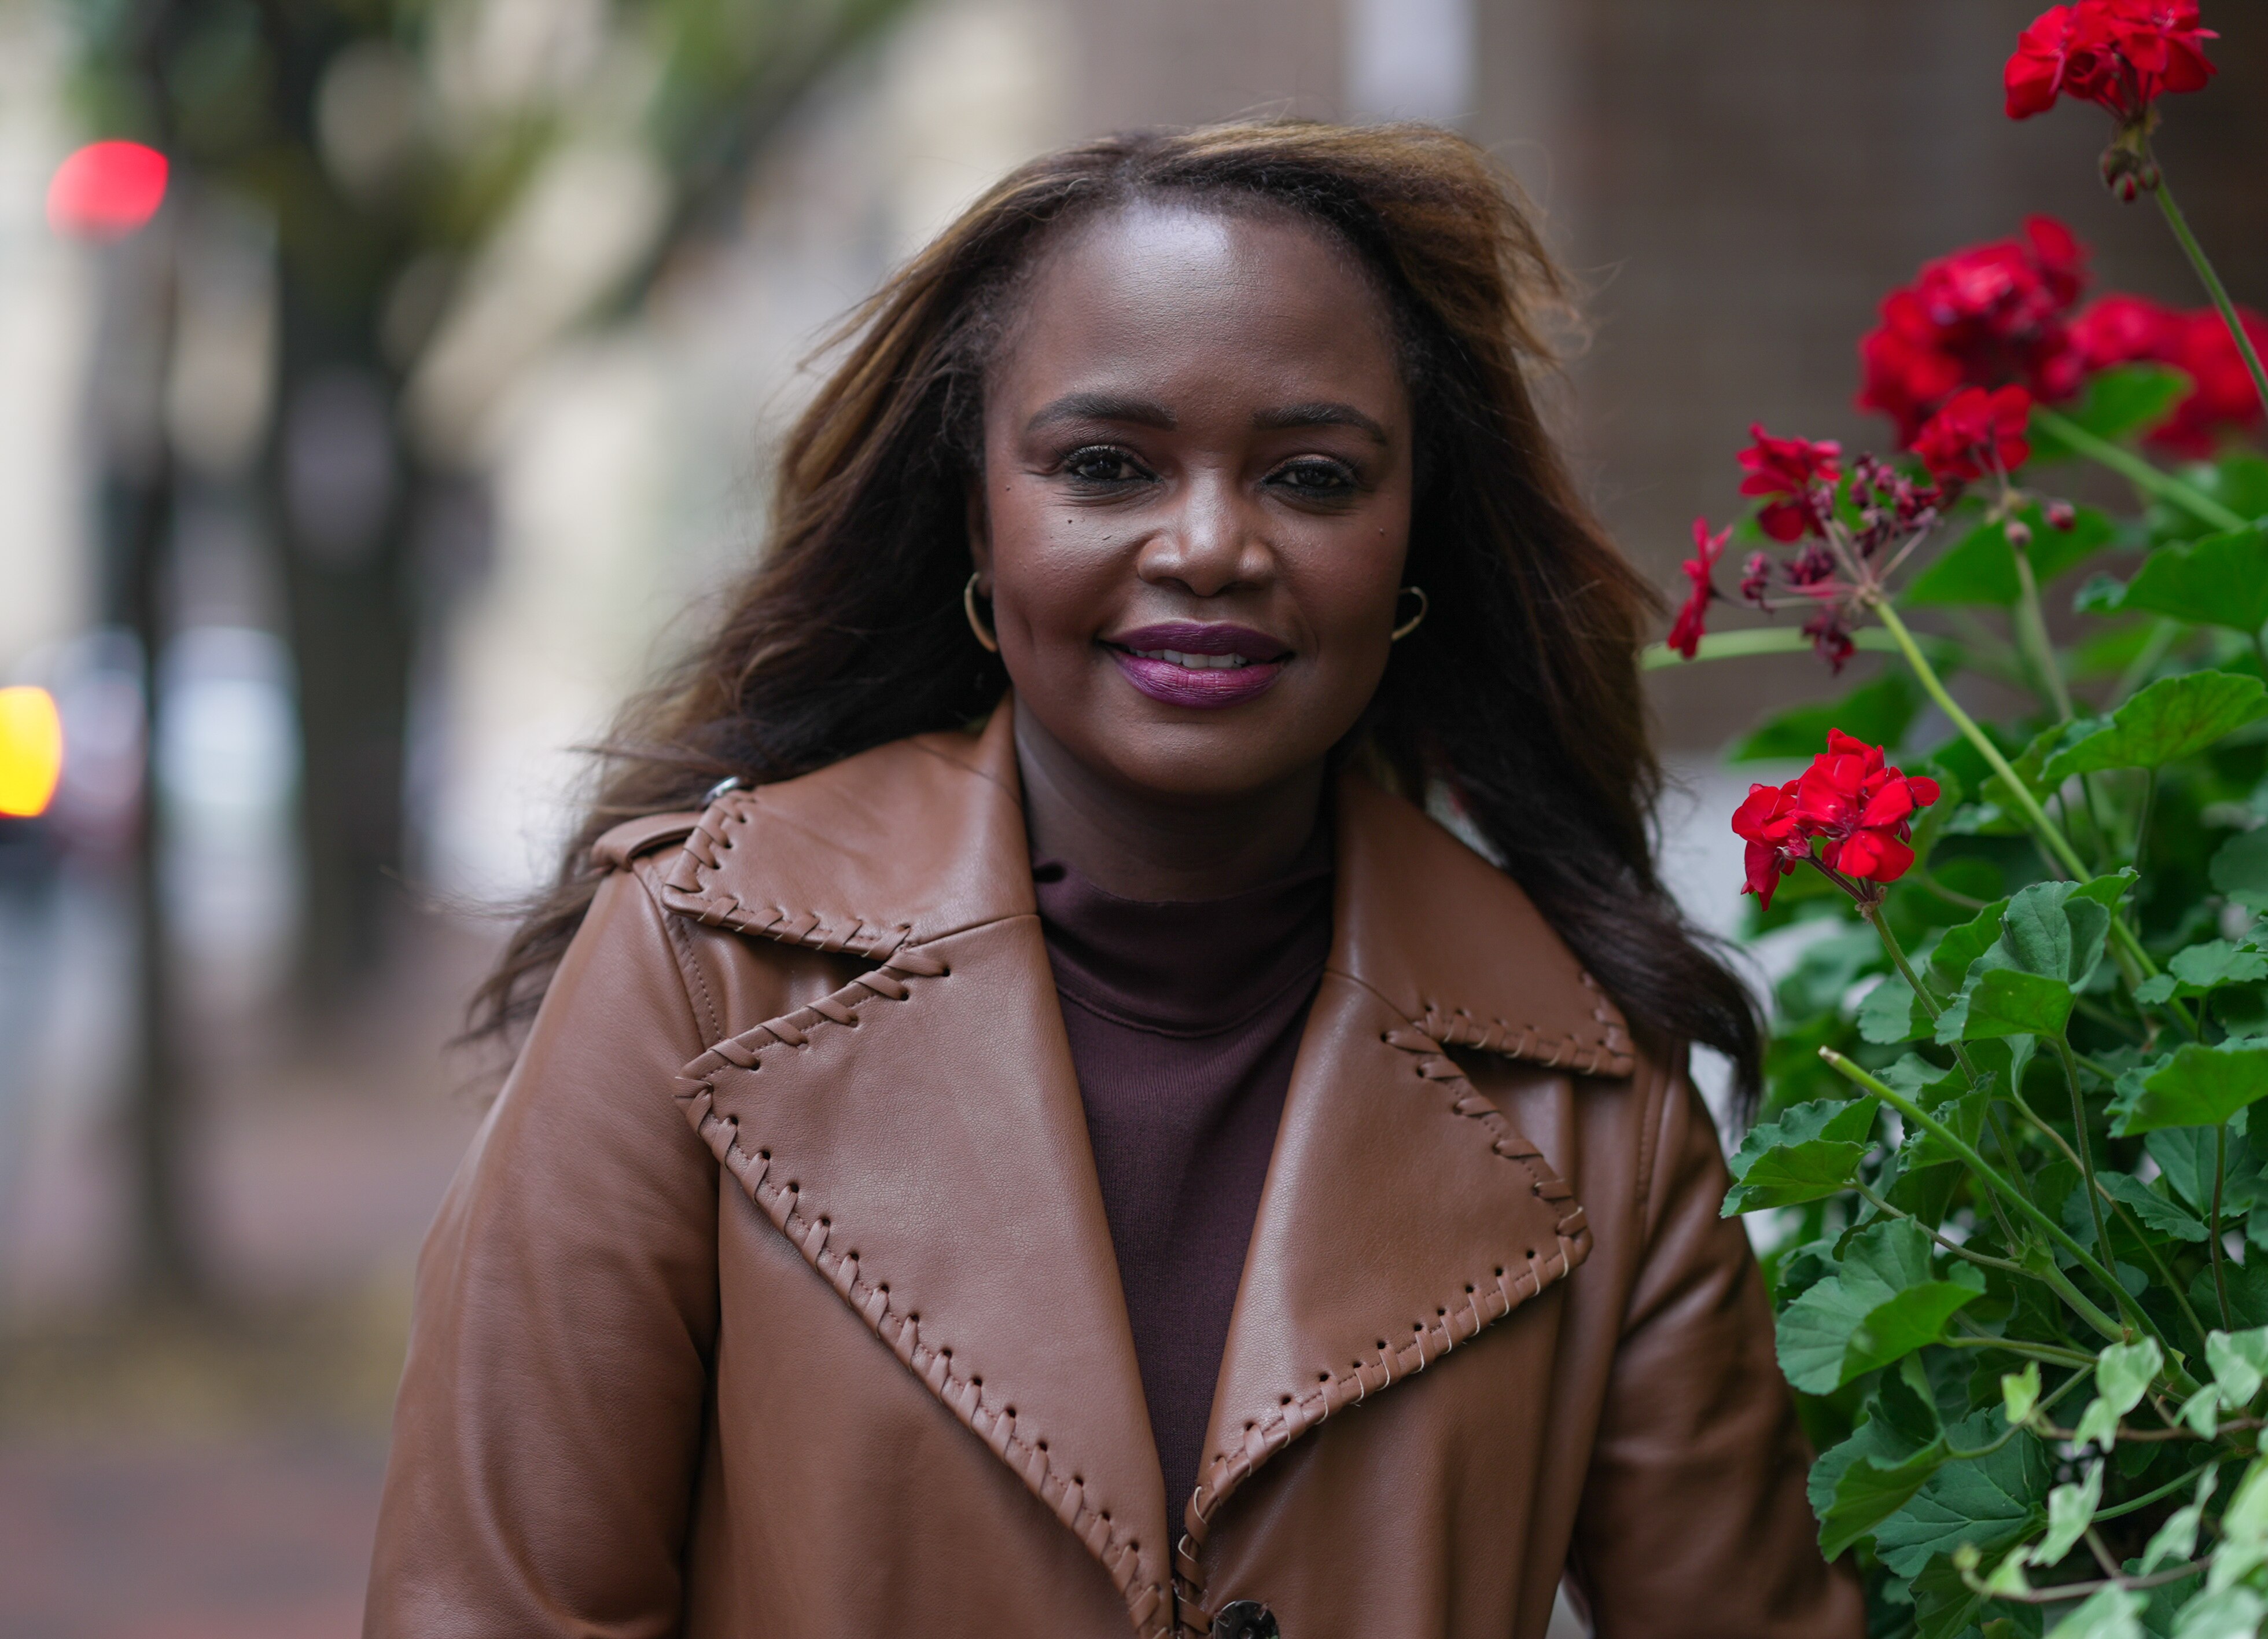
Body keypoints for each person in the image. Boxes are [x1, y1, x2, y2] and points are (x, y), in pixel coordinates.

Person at [365, 120, 1857, 1639]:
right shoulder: (699, 968)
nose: (1211, 545)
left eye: (1315, 477)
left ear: (1414, 535)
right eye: (1104, 466)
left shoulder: (1585, 1074)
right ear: (978, 515)